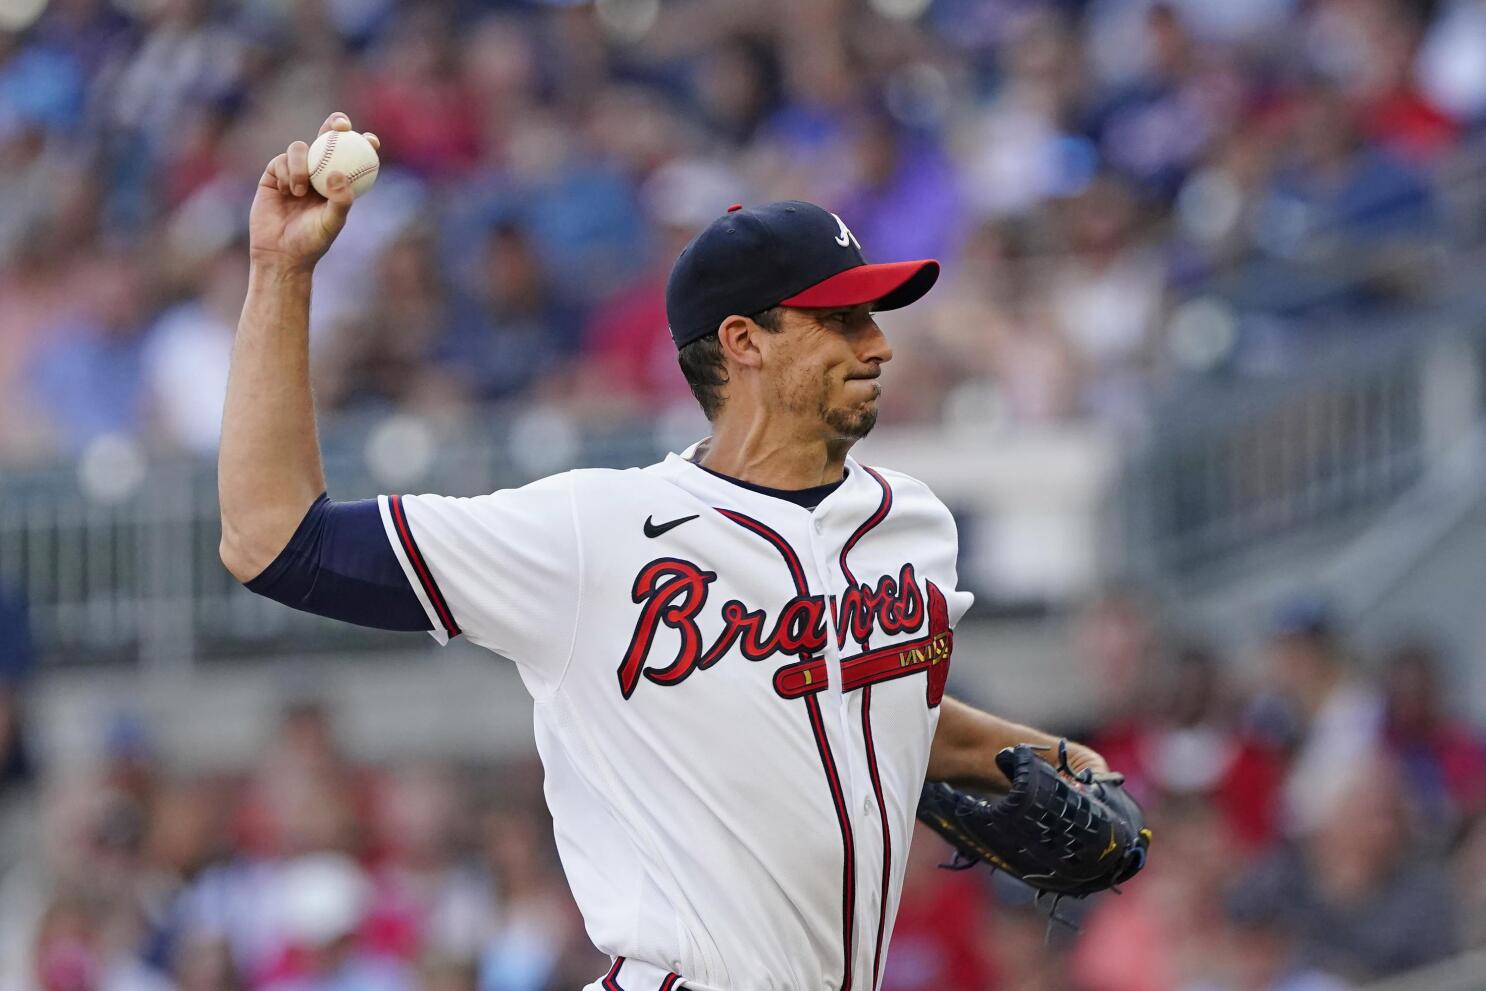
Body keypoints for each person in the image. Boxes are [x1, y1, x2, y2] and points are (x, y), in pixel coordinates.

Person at [219, 112, 1117, 991]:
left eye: (872, 315)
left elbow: (869, 694)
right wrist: (280, 272)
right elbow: (274, 540)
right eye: (839, 320)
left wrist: (1057, 757)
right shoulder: (592, 532)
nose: (877, 343)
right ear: (743, 343)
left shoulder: (913, 522)